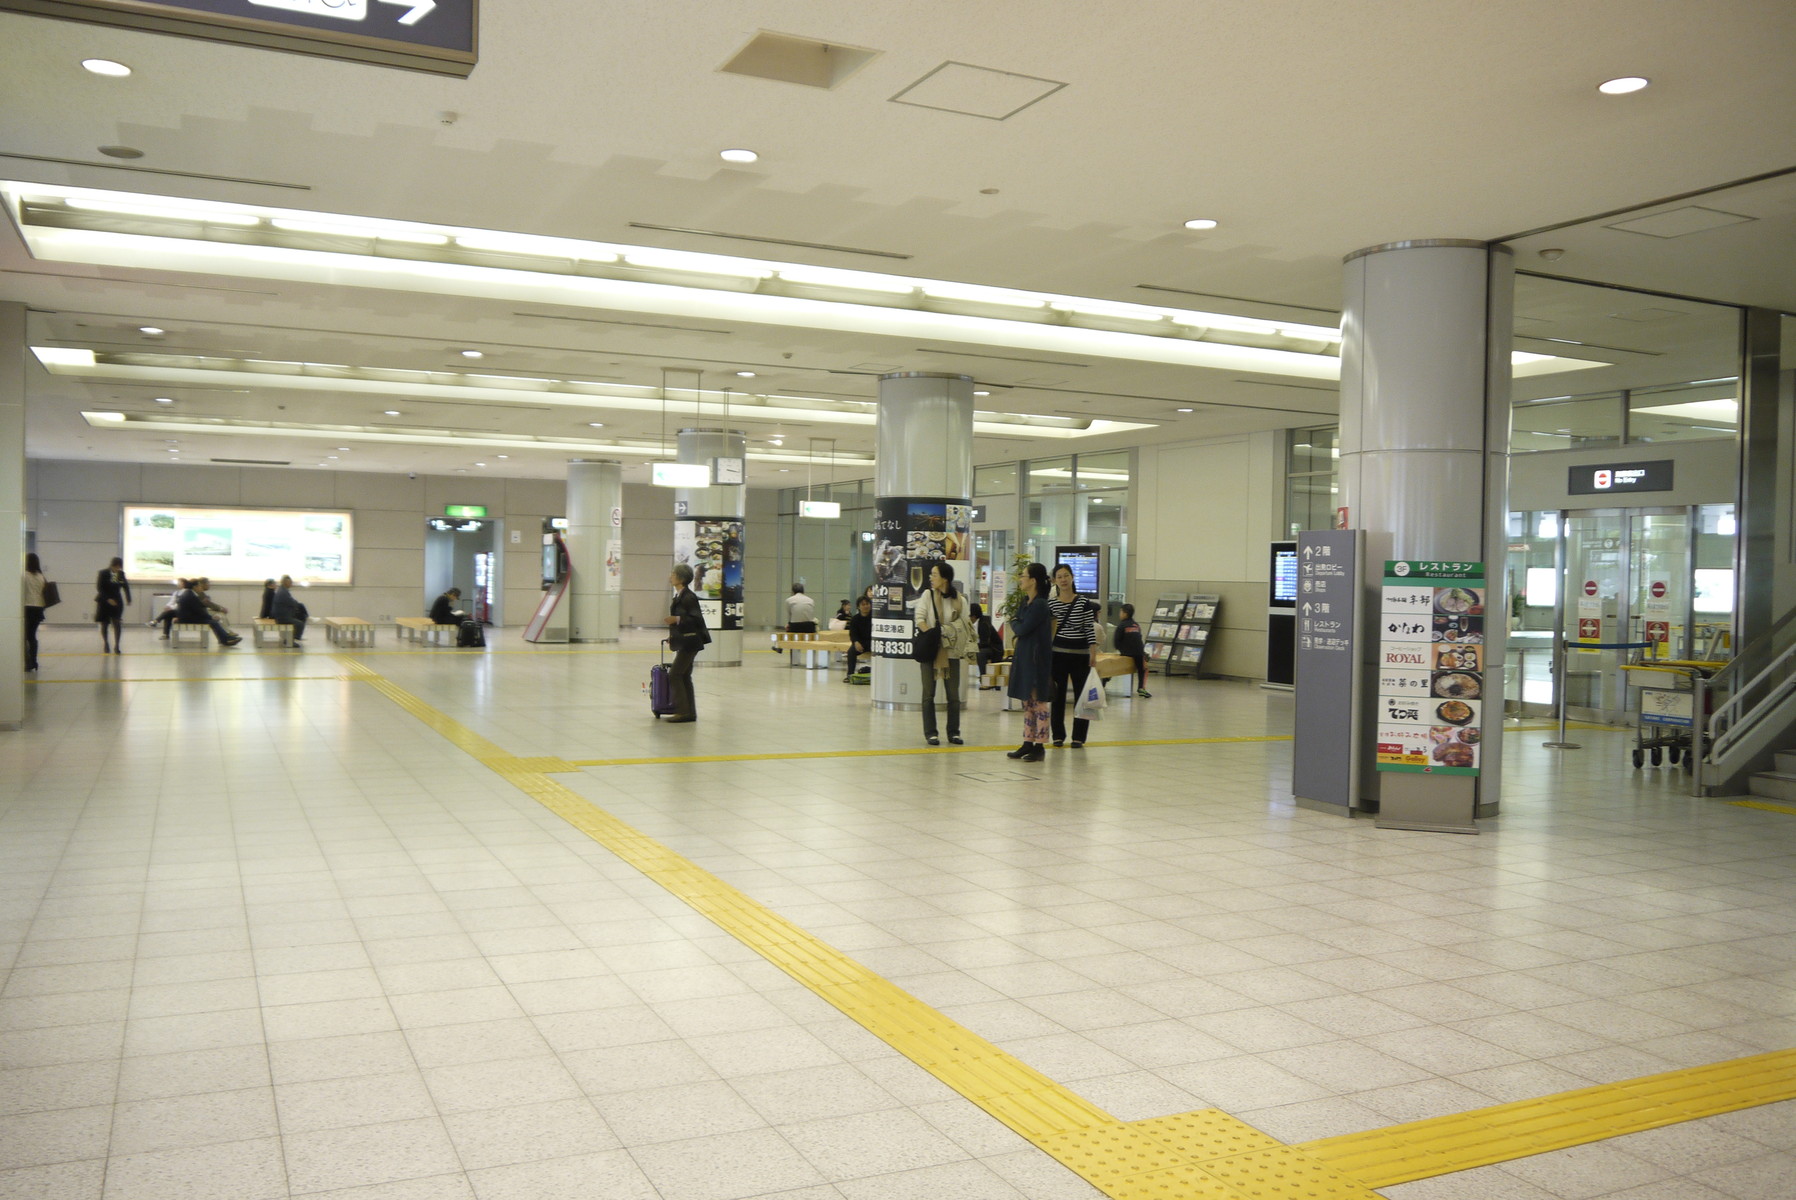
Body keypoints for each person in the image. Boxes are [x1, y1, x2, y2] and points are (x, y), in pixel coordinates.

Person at [914, 562, 975, 745]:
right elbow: (919, 618)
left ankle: (954, 732)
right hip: (931, 650)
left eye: (934, 575)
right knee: (928, 694)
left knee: (953, 696)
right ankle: (931, 733)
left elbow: (965, 624)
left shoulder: (960, 600)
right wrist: (933, 635)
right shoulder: (928, 595)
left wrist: (948, 634)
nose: (931, 578)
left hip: (953, 652)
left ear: (945, 578)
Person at [1047, 562, 1101, 749]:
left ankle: (1078, 737)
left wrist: (1092, 653)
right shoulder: (1051, 604)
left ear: (1072, 577)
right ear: (1055, 580)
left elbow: (1089, 628)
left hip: (1080, 655)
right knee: (1057, 697)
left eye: (1066, 576)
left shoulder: (1083, 602)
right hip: (1058, 654)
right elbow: (1049, 630)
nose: (1063, 580)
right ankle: (1058, 735)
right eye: (1059, 576)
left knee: (1081, 697)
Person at [1005, 563, 1054, 762]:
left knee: (1038, 702)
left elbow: (1021, 627)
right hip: (1025, 656)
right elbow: (1019, 622)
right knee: (1028, 702)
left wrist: (1015, 622)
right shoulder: (1027, 602)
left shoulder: (1040, 604)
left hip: (1036, 659)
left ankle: (1039, 745)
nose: (1021, 579)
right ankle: (1027, 742)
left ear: (1033, 580)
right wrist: (1017, 621)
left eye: (1023, 576)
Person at [662, 563, 708, 722]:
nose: (670, 576)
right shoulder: (680, 595)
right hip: (686, 641)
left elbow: (696, 619)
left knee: (675, 674)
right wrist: (673, 635)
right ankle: (689, 712)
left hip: (690, 642)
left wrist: (677, 619)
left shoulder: (688, 597)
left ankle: (682, 712)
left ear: (680, 578)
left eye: (673, 574)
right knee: (684, 675)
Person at [175, 580, 241, 647]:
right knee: (214, 622)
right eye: (199, 586)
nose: (201, 588)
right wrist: (211, 617)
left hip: (188, 617)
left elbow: (198, 608)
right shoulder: (191, 596)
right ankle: (225, 639)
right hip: (188, 619)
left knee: (213, 621)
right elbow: (199, 611)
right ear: (195, 587)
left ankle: (225, 638)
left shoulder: (189, 593)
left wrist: (208, 614)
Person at [94, 556, 131, 654]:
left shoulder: (121, 574)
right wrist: (107, 599)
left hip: (117, 602)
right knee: (104, 624)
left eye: (119, 567)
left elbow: (125, 586)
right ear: (112, 565)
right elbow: (99, 588)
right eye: (116, 567)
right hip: (104, 601)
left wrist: (128, 598)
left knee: (117, 623)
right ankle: (106, 643)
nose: (117, 569)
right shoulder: (103, 573)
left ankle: (117, 646)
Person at [1115, 602, 1150, 698]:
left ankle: (1105, 681)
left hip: (1126, 653)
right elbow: (1139, 638)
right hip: (1138, 652)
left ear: (1125, 613)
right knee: (1142, 669)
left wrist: (1120, 650)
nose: (1120, 614)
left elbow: (1116, 640)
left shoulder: (1121, 625)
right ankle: (1141, 688)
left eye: (1120, 612)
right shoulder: (1136, 625)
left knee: (1113, 667)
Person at [774, 582, 817, 653]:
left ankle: (779, 647)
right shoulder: (811, 600)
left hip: (796, 626)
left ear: (793, 591)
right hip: (809, 626)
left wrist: (788, 624)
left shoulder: (789, 600)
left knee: (788, 630)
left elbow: (789, 615)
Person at [23, 553, 48, 672]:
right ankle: (34, 661)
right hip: (38, 608)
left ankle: (28, 662)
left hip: (27, 607)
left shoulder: (24, 576)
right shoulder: (41, 576)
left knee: (25, 636)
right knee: (32, 635)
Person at [972, 601, 1004, 689]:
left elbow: (985, 642)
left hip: (995, 649)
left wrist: (974, 646)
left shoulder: (983, 624)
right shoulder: (980, 622)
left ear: (974, 616)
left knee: (980, 654)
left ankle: (985, 681)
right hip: (990, 647)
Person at [271, 575, 307, 643]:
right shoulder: (283, 592)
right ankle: (291, 640)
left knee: (301, 614)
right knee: (300, 623)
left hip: (281, 615)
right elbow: (292, 602)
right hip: (282, 617)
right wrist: (297, 605)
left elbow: (291, 602)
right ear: (285, 582)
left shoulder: (282, 590)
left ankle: (292, 638)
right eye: (290, 582)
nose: (291, 584)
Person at [844, 595, 872, 681]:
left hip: (873, 642)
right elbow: (853, 634)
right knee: (851, 652)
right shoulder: (855, 619)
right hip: (861, 643)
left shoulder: (875, 617)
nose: (865, 606)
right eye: (863, 604)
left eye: (867, 604)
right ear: (858, 607)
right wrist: (856, 642)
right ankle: (850, 675)